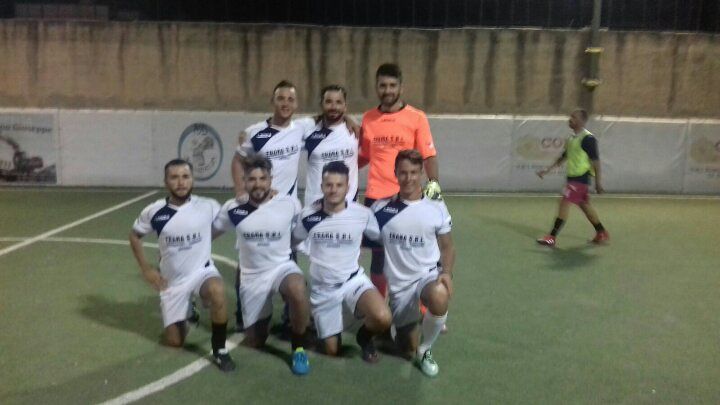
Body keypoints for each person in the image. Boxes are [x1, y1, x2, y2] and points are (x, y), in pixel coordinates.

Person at [128, 159, 235, 372]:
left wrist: (206, 238)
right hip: (172, 282)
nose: (181, 182)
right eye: (174, 177)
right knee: (175, 342)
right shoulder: (155, 211)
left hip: (202, 272)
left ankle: (220, 349)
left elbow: (227, 220)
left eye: (185, 177)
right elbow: (134, 236)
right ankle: (188, 309)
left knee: (217, 290)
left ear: (192, 179)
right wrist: (147, 269)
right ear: (165, 181)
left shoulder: (208, 206)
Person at [214, 155, 311, 375]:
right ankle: (263, 317)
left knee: (297, 288)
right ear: (244, 181)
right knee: (256, 341)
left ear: (270, 180)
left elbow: (297, 234)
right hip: (252, 277)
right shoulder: (233, 208)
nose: (258, 184)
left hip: (281, 268)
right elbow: (211, 233)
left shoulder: (289, 204)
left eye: (262, 178)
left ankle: (298, 349)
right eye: (252, 179)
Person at [293, 161, 391, 362]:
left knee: (383, 317)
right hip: (323, 289)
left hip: (353, 281)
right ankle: (327, 320)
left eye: (339, 185)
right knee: (332, 351)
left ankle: (364, 337)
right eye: (329, 185)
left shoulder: (362, 214)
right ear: (321, 186)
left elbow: (382, 238)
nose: (333, 190)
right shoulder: (308, 215)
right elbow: (293, 241)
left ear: (347, 187)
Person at [370, 150, 455, 377]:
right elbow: (357, 234)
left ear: (422, 174)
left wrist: (446, 273)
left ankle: (426, 349)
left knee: (439, 294)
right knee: (407, 350)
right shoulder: (380, 209)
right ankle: (405, 325)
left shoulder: (436, 207)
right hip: (400, 285)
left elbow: (447, 247)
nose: (409, 178)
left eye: (414, 173)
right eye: (403, 173)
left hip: (427, 276)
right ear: (395, 173)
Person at [360, 63, 442, 301]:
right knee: (378, 256)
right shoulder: (368, 118)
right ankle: (379, 304)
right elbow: (364, 155)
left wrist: (434, 189)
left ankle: (426, 303)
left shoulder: (417, 117)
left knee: (416, 252)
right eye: (382, 85)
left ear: (401, 88)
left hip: (408, 198)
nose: (387, 90)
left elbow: (428, 156)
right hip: (376, 198)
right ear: (376, 87)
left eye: (392, 85)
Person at [536, 109, 609, 247]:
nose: (570, 119)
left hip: (580, 179)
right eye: (571, 117)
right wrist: (547, 170)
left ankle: (551, 237)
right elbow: (563, 157)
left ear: (582, 121)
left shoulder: (588, 139)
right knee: (585, 206)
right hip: (573, 179)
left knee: (564, 202)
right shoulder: (571, 139)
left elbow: (596, 162)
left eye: (574, 117)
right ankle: (601, 232)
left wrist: (598, 183)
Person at [302, 85, 359, 207]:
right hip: (315, 206)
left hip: (349, 205)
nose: (333, 107)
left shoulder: (356, 131)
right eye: (328, 102)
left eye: (338, 102)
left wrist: (348, 118)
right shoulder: (307, 129)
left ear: (345, 106)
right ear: (321, 104)